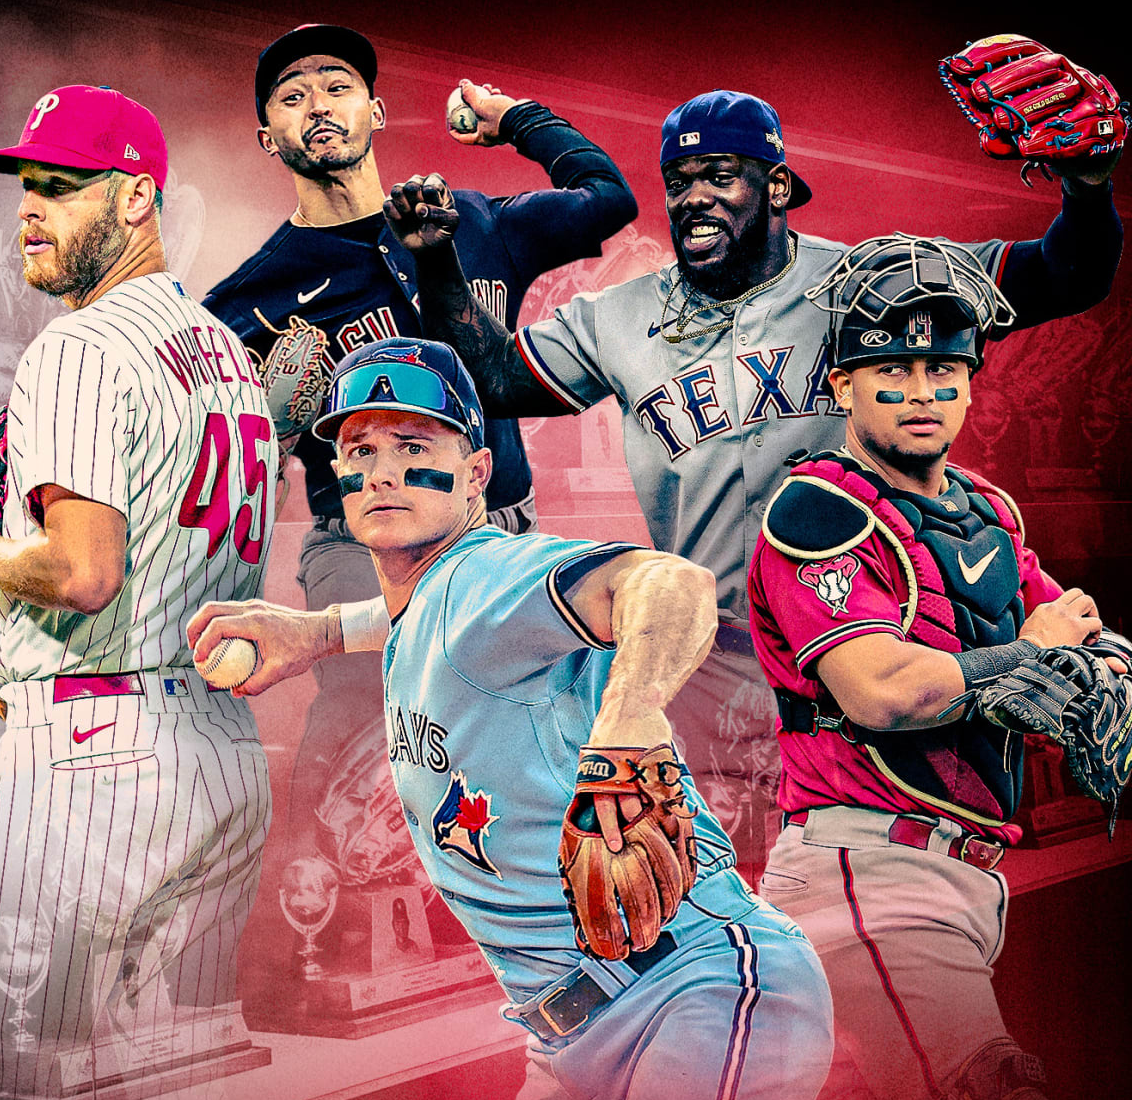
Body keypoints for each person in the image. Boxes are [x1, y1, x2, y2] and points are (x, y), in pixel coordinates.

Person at [374, 84, 1123, 869]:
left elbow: (1066, 275)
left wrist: (1088, 183)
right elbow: (491, 376)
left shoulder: (866, 285)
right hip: (703, 658)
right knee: (703, 898)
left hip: (858, 644)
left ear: (774, 187)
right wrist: (435, 257)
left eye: (721, 176)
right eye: (679, 181)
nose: (693, 197)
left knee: (857, 885)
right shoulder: (618, 317)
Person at [188, 338, 831, 1100]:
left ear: (476, 473)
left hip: (694, 986)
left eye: (417, 450)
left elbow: (668, 585)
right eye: (363, 451)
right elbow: (424, 618)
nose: (384, 473)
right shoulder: (436, 599)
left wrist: (633, 725)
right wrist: (322, 632)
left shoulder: (486, 574)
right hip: (570, 1035)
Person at [202, 22, 637, 880]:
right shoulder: (250, 298)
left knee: (534, 726)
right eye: (291, 97)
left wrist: (515, 118)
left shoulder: (477, 221)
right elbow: (224, 443)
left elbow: (609, 197)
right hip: (368, 541)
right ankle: (311, 899)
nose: (316, 104)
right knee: (370, 708)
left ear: (375, 110)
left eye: (335, 85)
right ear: (268, 138)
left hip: (499, 524)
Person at [746, 236, 1129, 1100]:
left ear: (967, 385)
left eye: (942, 370)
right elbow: (880, 688)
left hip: (955, 881)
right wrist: (1035, 652)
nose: (920, 390)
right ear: (844, 384)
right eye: (891, 369)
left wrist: (1091, 656)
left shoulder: (988, 512)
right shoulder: (819, 513)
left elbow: (1079, 623)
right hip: (862, 872)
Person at [0, 85, 275, 1100]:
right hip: (219, 750)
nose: (30, 209)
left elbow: (81, 574)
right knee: (182, 1093)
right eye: (27, 187)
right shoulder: (224, 352)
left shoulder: (77, 347)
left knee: (23, 1094)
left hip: (93, 756)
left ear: (134, 199)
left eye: (63, 187)